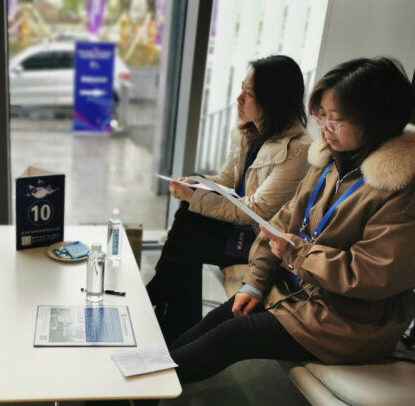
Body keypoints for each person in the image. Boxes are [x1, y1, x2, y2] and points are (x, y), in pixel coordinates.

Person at [169, 57, 415, 385]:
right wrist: (256, 283)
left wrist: (295, 252)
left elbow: (370, 274)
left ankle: (145, 386)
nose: (325, 128)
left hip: (347, 321)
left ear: (376, 118)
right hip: (295, 293)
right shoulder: (331, 161)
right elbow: (281, 224)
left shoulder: (400, 189)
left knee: (229, 337)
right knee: (218, 319)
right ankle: (143, 379)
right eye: (321, 116)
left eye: (336, 119)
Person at [146, 55, 312, 344]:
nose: (239, 99)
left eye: (248, 93)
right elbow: (228, 182)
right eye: (241, 89)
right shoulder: (248, 132)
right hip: (238, 231)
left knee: (187, 238)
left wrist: (195, 197)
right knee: (189, 226)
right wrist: (197, 185)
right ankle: (173, 323)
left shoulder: (298, 150)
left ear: (273, 100)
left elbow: (256, 210)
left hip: (261, 243)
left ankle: (164, 302)